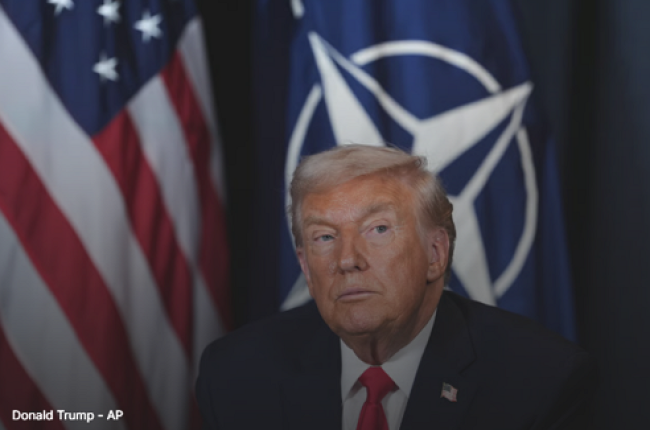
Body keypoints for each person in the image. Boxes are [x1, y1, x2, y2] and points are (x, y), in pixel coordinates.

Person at [196, 144, 597, 430]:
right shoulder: (236, 374)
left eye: (378, 229)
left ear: (435, 253)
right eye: (324, 237)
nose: (347, 259)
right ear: (305, 266)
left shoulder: (540, 381)